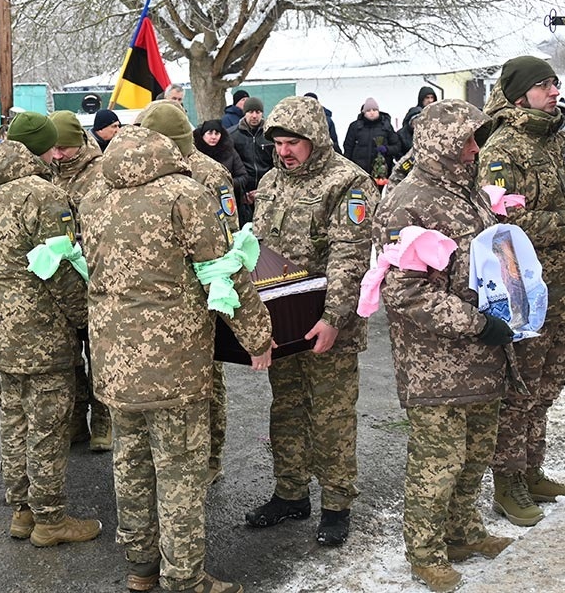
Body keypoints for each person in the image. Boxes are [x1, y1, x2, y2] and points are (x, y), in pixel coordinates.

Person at [78, 122, 273, 593]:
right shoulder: (184, 195)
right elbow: (220, 269)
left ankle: (141, 568)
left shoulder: (93, 197)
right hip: (174, 362)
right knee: (180, 471)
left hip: (113, 358)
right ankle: (185, 578)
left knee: (131, 464)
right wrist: (258, 335)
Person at [375, 100, 515, 592]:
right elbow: (405, 291)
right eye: (467, 141)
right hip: (435, 359)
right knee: (438, 460)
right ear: (440, 144)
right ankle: (425, 552)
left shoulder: (469, 192)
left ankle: (463, 532)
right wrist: (476, 323)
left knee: (476, 452)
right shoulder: (406, 201)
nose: (476, 149)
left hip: (482, 352)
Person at [477, 55, 565, 526]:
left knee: (548, 387)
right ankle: (507, 483)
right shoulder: (501, 151)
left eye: (555, 83)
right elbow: (503, 226)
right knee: (520, 392)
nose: (554, 91)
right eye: (543, 85)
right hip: (525, 297)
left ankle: (532, 471)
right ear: (519, 96)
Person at [246, 96, 379, 547]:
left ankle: (337, 503)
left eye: (293, 143)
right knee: (286, 407)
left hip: (328, 324)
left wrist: (334, 318)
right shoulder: (270, 181)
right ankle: (290, 492)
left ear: (316, 140)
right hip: (282, 321)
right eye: (279, 143)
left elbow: (350, 255)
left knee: (331, 414)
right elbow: (258, 247)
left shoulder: (348, 182)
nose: (284, 151)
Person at [0, 111, 100, 546]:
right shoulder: (43, 195)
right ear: (41, 146)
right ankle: (51, 519)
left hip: (3, 329)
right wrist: (86, 319)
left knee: (15, 420)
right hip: (43, 331)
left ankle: (23, 510)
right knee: (48, 426)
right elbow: (58, 268)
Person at [140, 101, 242, 486]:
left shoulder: (209, 173)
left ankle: (210, 458)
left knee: (207, 383)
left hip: (200, 297)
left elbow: (226, 237)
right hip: (157, 299)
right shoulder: (138, 173)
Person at [49, 110, 110, 451]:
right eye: (53, 149)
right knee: (69, 356)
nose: (58, 156)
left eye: (65, 149)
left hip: (94, 272)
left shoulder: (99, 172)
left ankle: (103, 422)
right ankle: (76, 420)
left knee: (98, 351)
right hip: (61, 276)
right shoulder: (47, 171)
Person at [231, 97, 272, 225]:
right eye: (250, 112)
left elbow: (276, 165)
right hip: (243, 196)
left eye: (258, 112)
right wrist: (242, 193)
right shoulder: (233, 135)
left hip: (267, 192)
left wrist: (265, 189)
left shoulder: (270, 135)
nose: (254, 116)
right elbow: (231, 167)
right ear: (245, 112)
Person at [343, 98, 402, 184]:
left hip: (381, 175)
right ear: (363, 112)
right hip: (359, 173)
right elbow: (348, 148)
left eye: (374, 110)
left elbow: (397, 146)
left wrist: (387, 149)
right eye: (368, 110)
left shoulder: (386, 126)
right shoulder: (355, 127)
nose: (372, 112)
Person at [399, 87, 440, 154]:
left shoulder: (437, 114)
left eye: (432, 97)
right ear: (422, 99)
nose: (430, 100)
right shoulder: (416, 111)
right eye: (427, 98)